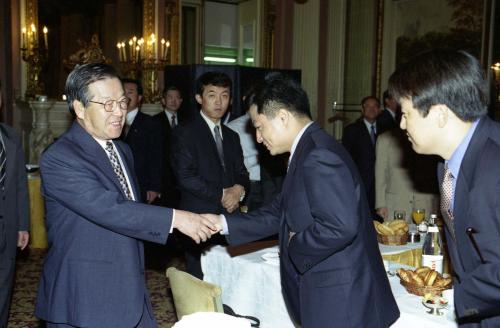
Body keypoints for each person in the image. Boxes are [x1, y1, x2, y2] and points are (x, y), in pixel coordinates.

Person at [205, 75, 399, 327]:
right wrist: (223, 224)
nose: (259, 138)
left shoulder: (318, 155)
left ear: (283, 117)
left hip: (342, 297)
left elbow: (340, 225)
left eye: (260, 126)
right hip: (336, 291)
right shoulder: (309, 148)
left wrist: (294, 245)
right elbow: (281, 211)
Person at [34, 63, 217, 328]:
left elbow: (131, 213)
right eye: (107, 104)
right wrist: (177, 218)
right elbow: (111, 208)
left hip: (129, 288)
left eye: (123, 101)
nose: (120, 111)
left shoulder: (121, 149)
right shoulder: (60, 158)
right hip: (86, 297)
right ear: (79, 109)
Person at [389, 49, 500, 326]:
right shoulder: (447, 163)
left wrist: (455, 300)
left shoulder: (495, 164)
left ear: (439, 113)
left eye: (406, 114)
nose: (402, 124)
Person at [170, 71, 249, 279]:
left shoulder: (232, 136)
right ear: (199, 98)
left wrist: (239, 189)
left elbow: (242, 173)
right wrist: (222, 194)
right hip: (199, 218)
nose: (219, 102)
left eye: (224, 95)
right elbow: (186, 177)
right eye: (212, 95)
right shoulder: (185, 132)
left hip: (230, 218)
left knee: (231, 279)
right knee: (201, 281)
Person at [0, 80, 30, 327]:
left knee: (3, 286)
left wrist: (23, 225)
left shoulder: (10, 136)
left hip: (7, 229)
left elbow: (20, 184)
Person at [375, 127, 439, 222]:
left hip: (426, 204)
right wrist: (380, 204)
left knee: (425, 236)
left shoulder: (432, 138)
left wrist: (438, 204)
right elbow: (380, 173)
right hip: (396, 206)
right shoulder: (385, 139)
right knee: (395, 236)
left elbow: (437, 172)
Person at [121, 78, 163, 204]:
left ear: (139, 98)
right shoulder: (112, 122)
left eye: (130, 92)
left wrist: (154, 187)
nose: (125, 96)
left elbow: (157, 157)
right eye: (122, 92)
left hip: (141, 184)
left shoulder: (150, 123)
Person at [342, 96, 381, 218]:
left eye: (374, 106)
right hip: (360, 184)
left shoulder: (387, 130)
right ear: (362, 110)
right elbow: (346, 158)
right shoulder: (352, 130)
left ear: (379, 110)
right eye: (368, 106)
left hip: (380, 186)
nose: (371, 109)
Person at [153, 86, 184, 207]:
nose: (174, 101)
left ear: (181, 101)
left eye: (177, 98)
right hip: (163, 177)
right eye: (170, 97)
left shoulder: (187, 122)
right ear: (163, 100)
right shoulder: (154, 121)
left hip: (181, 177)